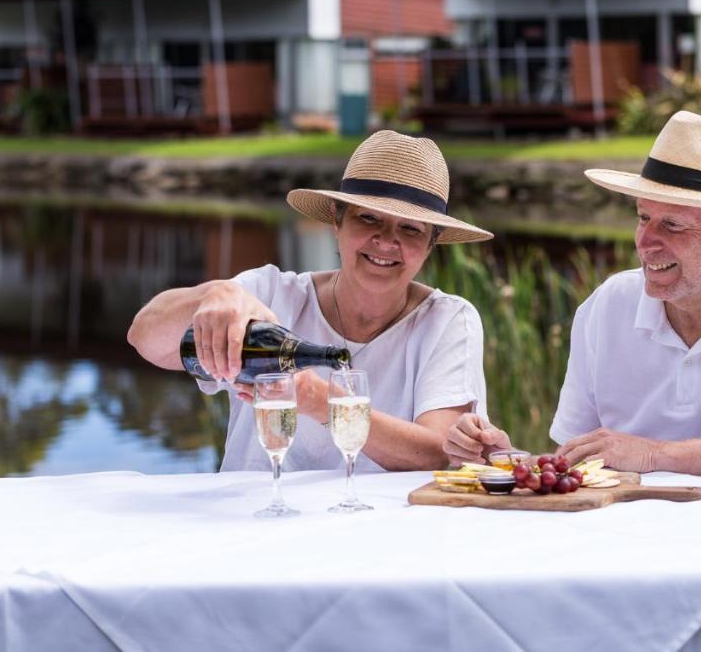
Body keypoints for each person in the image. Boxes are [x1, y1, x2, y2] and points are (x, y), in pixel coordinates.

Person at [444, 111, 701, 485]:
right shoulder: (608, 305)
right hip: (626, 544)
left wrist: (654, 455)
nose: (645, 242)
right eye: (643, 217)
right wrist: (502, 458)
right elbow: (576, 465)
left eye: (673, 225)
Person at [128, 130, 494, 473]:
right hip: (250, 525)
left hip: (375, 532)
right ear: (337, 222)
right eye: (369, 218)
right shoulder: (269, 295)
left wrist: (320, 400)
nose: (385, 240)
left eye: (410, 228)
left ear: (431, 244)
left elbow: (436, 453)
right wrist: (209, 296)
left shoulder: (448, 319)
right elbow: (144, 338)